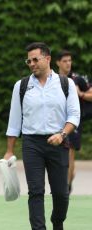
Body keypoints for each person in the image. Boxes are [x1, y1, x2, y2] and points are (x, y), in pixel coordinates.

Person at [4, 42, 80, 230]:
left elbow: (74, 115)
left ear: (48, 59)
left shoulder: (66, 83)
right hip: (32, 144)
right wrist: (9, 151)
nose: (31, 63)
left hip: (59, 142)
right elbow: (14, 121)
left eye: (35, 59)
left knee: (61, 193)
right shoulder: (21, 86)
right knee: (36, 192)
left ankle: (57, 222)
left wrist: (62, 134)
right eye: (28, 60)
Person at [56, 50, 92, 194]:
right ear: (57, 62)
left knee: (70, 154)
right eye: (65, 61)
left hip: (73, 123)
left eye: (70, 60)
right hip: (55, 122)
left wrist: (81, 94)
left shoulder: (77, 79)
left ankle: (67, 187)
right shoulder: (52, 78)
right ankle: (62, 182)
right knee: (56, 156)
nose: (68, 64)